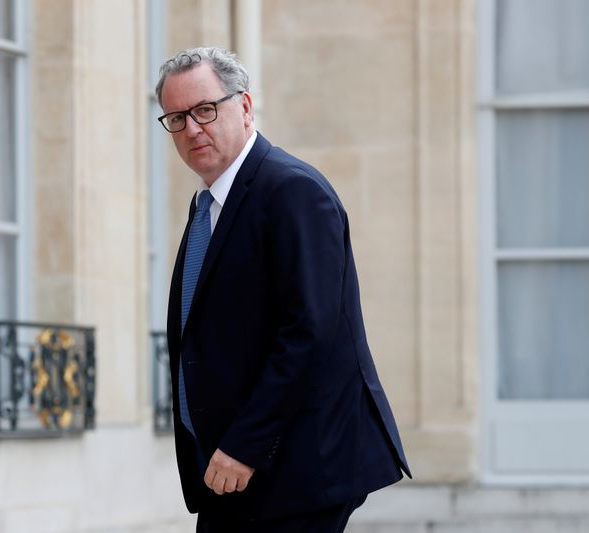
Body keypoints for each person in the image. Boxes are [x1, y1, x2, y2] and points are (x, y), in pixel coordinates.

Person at [157, 46, 410, 533]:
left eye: (206, 110)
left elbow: (308, 335)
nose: (192, 129)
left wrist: (245, 446)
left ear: (245, 106)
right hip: (232, 475)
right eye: (176, 118)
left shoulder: (292, 191)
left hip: (291, 471)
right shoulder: (208, 205)